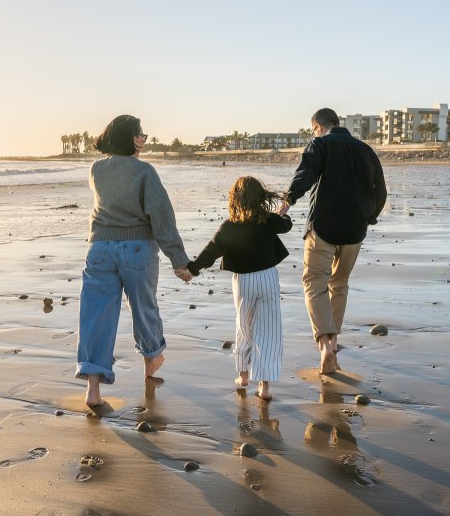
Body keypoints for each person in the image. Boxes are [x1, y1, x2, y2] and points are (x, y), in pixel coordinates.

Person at [76, 114, 193, 407]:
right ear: (129, 138)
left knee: (95, 315)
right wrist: (178, 260)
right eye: (140, 135)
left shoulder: (96, 169)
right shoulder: (145, 172)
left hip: (100, 247)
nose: (143, 140)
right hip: (137, 249)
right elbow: (161, 215)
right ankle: (151, 359)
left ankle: (93, 388)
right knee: (144, 307)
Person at [283, 108, 386, 374]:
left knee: (314, 281)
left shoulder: (319, 144)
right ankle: (335, 342)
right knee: (339, 284)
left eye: (312, 129)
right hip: (354, 231)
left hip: (323, 226)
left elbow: (304, 175)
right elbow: (381, 190)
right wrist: (369, 217)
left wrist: (287, 201)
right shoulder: (366, 149)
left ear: (318, 125)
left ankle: (325, 344)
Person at [185, 176, 292, 400]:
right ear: (260, 197)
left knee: (244, 325)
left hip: (243, 281)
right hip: (267, 278)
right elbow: (286, 225)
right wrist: (281, 212)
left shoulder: (230, 226)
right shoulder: (268, 220)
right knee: (269, 330)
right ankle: (264, 387)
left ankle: (243, 375)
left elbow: (211, 251)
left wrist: (192, 270)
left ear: (235, 199)